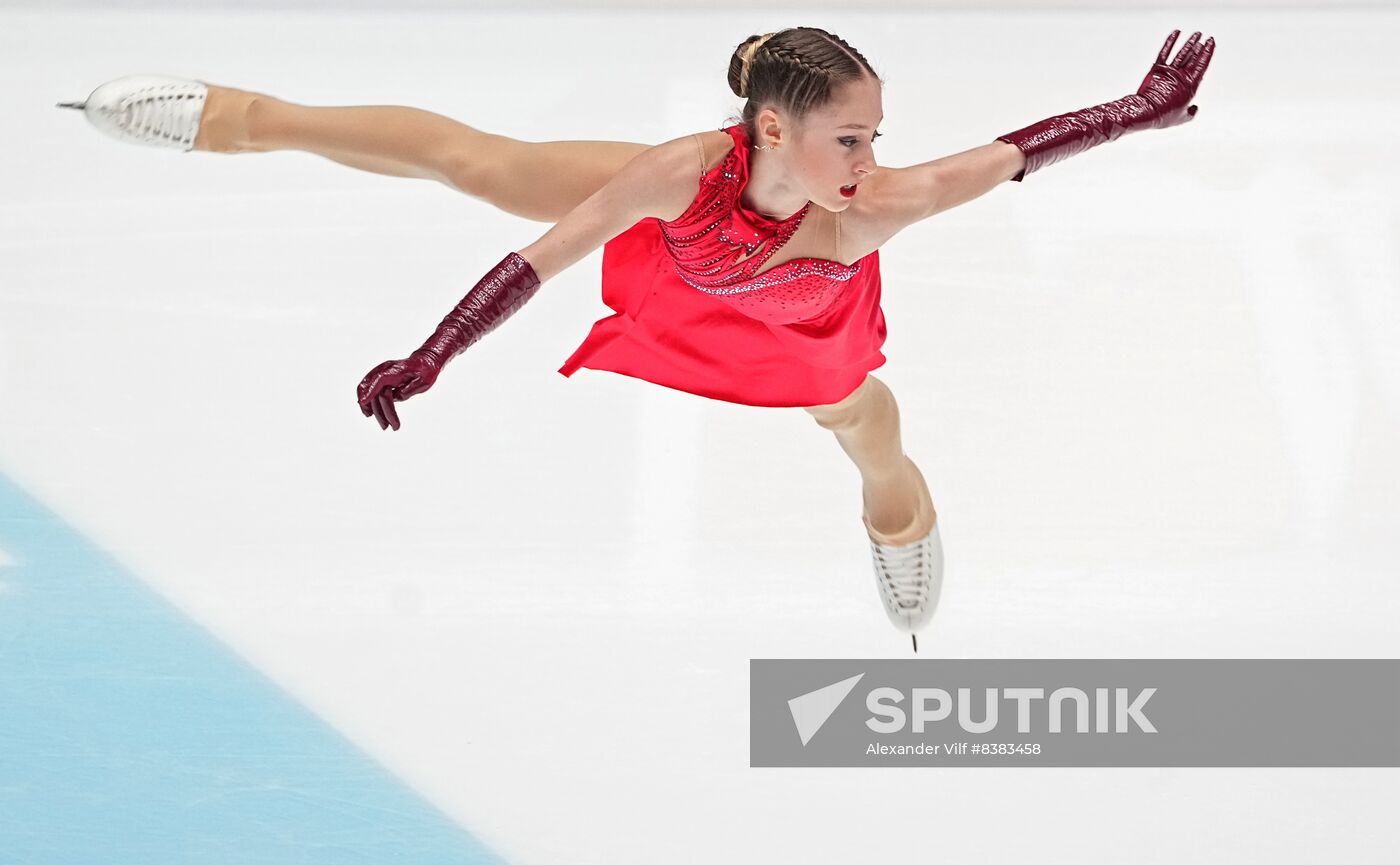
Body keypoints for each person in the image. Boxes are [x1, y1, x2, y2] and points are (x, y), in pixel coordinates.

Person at [58, 26, 1216, 651]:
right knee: (482, 161)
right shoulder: (679, 173)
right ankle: (227, 116)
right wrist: (434, 351)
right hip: (677, 264)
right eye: (849, 139)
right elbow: (538, 258)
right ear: (768, 127)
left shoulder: (883, 205)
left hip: (805, 334)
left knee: (867, 435)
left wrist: (1134, 110)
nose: (871, 162)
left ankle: (904, 534)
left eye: (875, 137)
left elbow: (1015, 151)